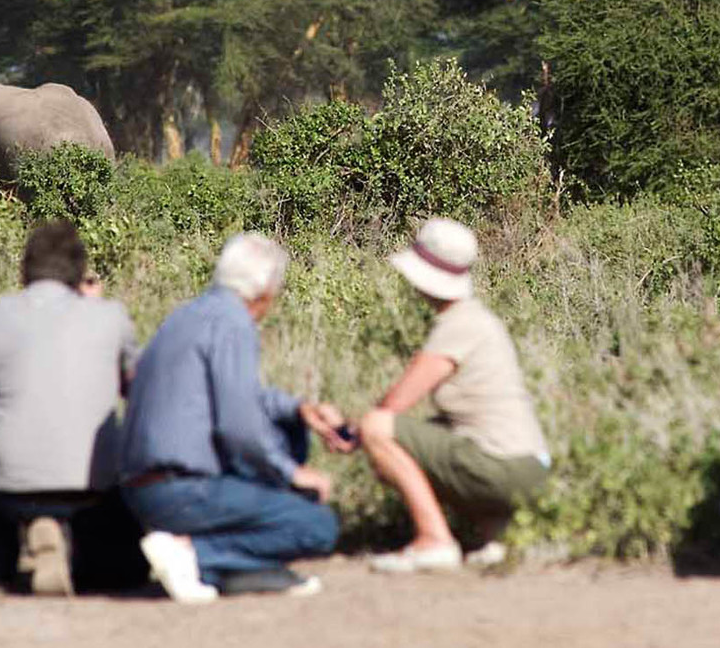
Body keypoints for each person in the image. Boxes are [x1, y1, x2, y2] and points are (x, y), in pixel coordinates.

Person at [119, 233, 348, 602]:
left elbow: (236, 397)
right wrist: (291, 473)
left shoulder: (190, 314)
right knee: (317, 525)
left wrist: (297, 409)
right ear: (265, 292)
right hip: (179, 489)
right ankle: (195, 554)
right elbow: (239, 427)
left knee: (290, 431)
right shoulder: (234, 323)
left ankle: (219, 565)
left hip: (143, 485)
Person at [0, 221, 142, 597]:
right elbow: (134, 388)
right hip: (94, 487)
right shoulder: (110, 316)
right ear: (79, 271)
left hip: (7, 487)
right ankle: (74, 543)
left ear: (24, 269)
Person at [360, 218, 550, 574]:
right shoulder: (478, 319)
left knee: (377, 428)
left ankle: (434, 540)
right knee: (434, 430)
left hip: (505, 468)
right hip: (530, 466)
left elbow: (394, 405)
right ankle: (496, 535)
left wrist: (354, 433)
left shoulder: (458, 325)